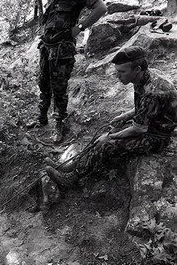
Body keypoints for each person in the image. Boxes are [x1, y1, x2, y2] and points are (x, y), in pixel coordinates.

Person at [45, 46, 177, 193]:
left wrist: (110, 137)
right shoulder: (145, 78)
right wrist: (125, 116)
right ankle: (73, 164)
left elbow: (139, 128)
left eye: (122, 72)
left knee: (105, 144)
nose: (117, 76)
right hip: (149, 124)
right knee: (108, 132)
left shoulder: (151, 91)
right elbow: (146, 108)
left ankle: (72, 178)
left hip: (156, 137)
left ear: (137, 69)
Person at [29, 0, 107, 144]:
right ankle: (42, 116)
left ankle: (59, 124)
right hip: (46, 45)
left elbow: (101, 8)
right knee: (43, 82)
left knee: (59, 87)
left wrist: (79, 28)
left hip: (62, 48)